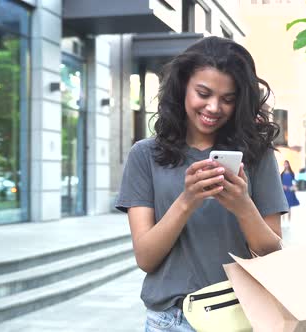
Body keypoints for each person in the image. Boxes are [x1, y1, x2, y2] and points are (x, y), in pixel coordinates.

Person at [115, 36, 289, 331]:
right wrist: (187, 200)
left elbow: (271, 253)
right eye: (203, 93)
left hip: (240, 317)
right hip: (171, 320)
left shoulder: (257, 157)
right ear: (183, 86)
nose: (213, 107)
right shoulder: (145, 155)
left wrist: (243, 205)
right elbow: (146, 258)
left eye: (228, 99)